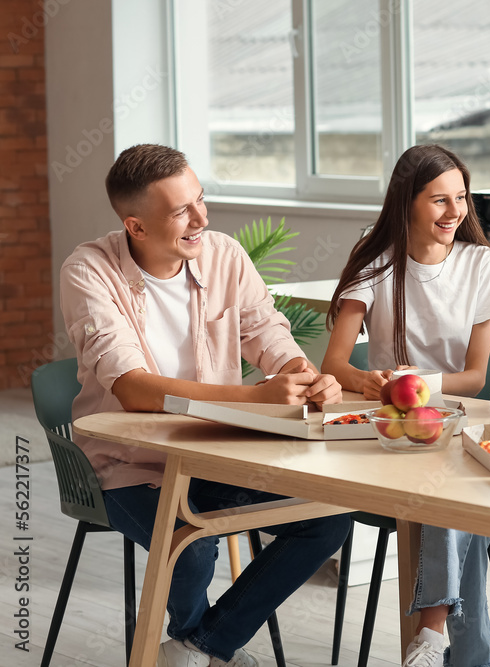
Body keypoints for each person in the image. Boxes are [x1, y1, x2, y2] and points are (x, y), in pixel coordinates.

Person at [60, 144, 352, 667]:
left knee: (326, 518)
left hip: (217, 454)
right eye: (181, 211)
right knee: (191, 544)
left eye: (200, 199)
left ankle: (198, 646)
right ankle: (200, 645)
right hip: (129, 465)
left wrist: (297, 373)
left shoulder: (223, 254)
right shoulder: (88, 271)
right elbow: (133, 387)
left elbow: (266, 332)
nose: (202, 218)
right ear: (137, 226)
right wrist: (254, 396)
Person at [322, 144, 490, 667]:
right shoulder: (375, 260)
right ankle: (459, 650)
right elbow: (334, 363)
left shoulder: (481, 264)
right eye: (439, 200)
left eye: (461, 199)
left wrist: (413, 381)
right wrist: (370, 380)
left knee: (457, 482)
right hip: (395, 431)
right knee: (460, 484)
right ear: (406, 203)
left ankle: (433, 631)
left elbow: (474, 378)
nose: (454, 213)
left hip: (455, 420)